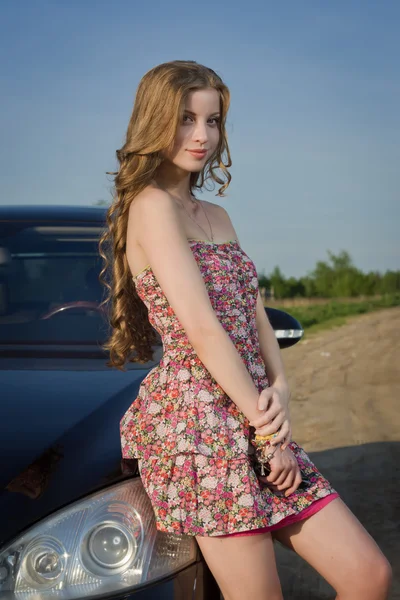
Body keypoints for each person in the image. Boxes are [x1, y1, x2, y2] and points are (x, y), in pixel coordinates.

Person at [99, 60, 392, 600]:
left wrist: (279, 388)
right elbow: (205, 330)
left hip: (252, 408)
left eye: (212, 122)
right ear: (155, 121)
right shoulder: (150, 207)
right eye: (186, 119)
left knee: (368, 576)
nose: (201, 136)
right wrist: (263, 431)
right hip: (200, 426)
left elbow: (254, 316)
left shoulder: (216, 216)